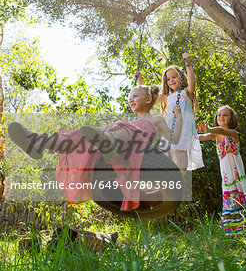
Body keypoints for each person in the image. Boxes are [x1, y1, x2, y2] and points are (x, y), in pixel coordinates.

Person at [8, 85, 182, 212]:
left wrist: (179, 116)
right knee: (79, 136)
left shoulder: (156, 120)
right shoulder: (129, 120)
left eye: (135, 96)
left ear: (148, 100)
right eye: (130, 97)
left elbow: (175, 138)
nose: (131, 100)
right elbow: (141, 95)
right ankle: (39, 142)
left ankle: (108, 141)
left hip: (135, 148)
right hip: (114, 147)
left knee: (125, 128)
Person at [135, 53, 203, 174]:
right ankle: (166, 178)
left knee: (180, 151)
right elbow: (148, 96)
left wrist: (188, 63)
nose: (171, 80)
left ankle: (181, 177)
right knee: (164, 153)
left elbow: (192, 82)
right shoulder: (167, 96)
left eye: (174, 77)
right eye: (168, 79)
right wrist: (139, 81)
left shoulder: (186, 92)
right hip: (170, 129)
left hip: (184, 126)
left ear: (181, 77)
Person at [198, 105, 246, 235]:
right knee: (230, 196)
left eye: (225, 115)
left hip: (236, 172)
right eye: (219, 115)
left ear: (231, 118)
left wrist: (209, 128)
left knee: (240, 192)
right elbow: (201, 137)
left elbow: (222, 131)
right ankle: (235, 230)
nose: (221, 117)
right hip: (226, 174)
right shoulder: (214, 135)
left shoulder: (233, 133)